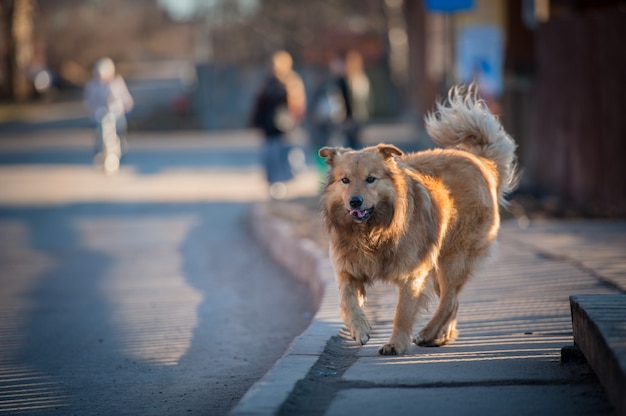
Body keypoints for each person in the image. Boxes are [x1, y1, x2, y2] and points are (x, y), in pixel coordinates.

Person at [251, 50, 306, 199]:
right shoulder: (266, 83)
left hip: (287, 129)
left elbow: (298, 105)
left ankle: (285, 184)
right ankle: (275, 185)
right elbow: (259, 105)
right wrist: (257, 123)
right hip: (269, 129)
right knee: (271, 157)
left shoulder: (292, 82)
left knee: (288, 158)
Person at [84, 57, 134, 172]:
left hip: (116, 114)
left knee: (120, 127)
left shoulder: (117, 83)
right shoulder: (93, 86)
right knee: (99, 133)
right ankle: (99, 152)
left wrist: (126, 107)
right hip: (100, 115)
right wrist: (92, 110)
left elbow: (126, 99)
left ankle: (121, 144)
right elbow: (89, 101)